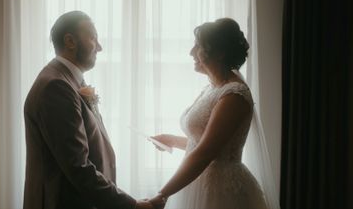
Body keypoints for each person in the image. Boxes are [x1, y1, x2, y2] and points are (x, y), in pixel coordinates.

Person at [23, 11, 154, 209]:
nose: (99, 47)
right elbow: (78, 166)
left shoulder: (66, 80)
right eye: (93, 37)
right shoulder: (56, 86)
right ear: (70, 41)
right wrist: (131, 205)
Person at [149, 18, 269, 209]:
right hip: (198, 181)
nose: (191, 52)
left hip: (221, 190)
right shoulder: (211, 88)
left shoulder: (234, 95)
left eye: (198, 46)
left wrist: (162, 195)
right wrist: (172, 140)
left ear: (219, 53)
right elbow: (205, 142)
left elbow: (206, 152)